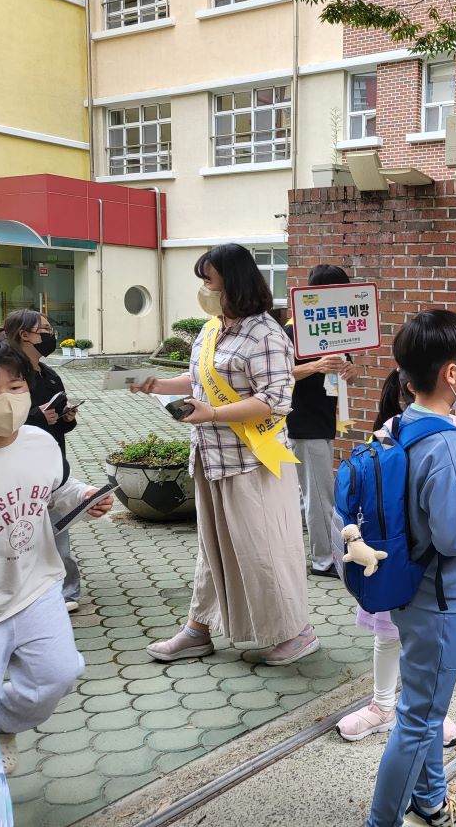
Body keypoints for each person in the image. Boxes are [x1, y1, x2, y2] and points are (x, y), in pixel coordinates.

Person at [0, 337, 113, 827]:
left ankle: (2, 724)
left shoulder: (41, 442)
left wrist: (83, 495)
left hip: (38, 585)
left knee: (57, 675)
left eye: (15, 385)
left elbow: (55, 492)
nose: (7, 398)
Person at [134, 243, 316, 666]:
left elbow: (275, 400)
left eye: (209, 280)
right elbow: (201, 377)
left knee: (262, 551)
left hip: (252, 461)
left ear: (233, 281)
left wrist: (212, 413)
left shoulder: (267, 334)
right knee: (212, 547)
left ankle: (298, 632)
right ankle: (198, 629)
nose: (204, 288)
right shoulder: (213, 328)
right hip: (211, 457)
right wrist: (159, 384)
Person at [367, 310, 456, 827]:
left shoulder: (399, 424)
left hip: (407, 586)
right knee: (420, 717)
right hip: (440, 597)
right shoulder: (450, 440)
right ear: (451, 374)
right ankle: (382, 821)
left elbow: (416, 500)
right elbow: (454, 537)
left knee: (421, 708)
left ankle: (429, 801)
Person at [336, 368, 456, 747]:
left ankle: (419, 709)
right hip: (399, 555)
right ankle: (385, 706)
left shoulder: (434, 430)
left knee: (408, 640)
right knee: (392, 635)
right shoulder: (434, 431)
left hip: (410, 557)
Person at [283, 263, 360, 578]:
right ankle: (324, 561)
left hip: (323, 420)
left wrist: (350, 373)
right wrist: (315, 366)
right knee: (319, 496)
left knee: (312, 494)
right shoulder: (291, 330)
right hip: (303, 422)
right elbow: (280, 375)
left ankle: (318, 554)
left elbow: (346, 375)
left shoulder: (336, 328)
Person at [4, 309, 82, 612]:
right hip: (16, 467)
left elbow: (58, 425)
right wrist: (37, 416)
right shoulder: (7, 373)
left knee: (57, 528)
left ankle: (66, 592)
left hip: (52, 465)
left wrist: (65, 417)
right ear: (25, 334)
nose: (51, 335)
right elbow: (2, 419)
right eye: (45, 329)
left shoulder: (49, 374)